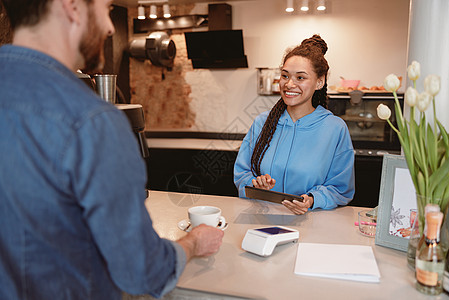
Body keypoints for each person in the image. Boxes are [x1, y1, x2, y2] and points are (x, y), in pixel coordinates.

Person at [0, 0, 223, 299]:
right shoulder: (92, 120)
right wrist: (194, 242)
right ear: (72, 6)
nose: (108, 27)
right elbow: (142, 272)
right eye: (106, 8)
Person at [234, 35, 355, 215]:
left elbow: (340, 188)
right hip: (261, 219)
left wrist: (311, 200)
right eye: (285, 76)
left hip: (311, 223)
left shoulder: (335, 128)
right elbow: (242, 174)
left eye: (300, 77)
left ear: (319, 82)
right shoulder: (262, 123)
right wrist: (256, 184)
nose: (289, 84)